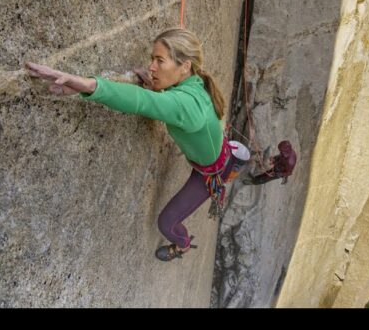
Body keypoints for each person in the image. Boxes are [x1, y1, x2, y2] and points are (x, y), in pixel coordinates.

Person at [25, 28, 234, 262]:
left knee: (167, 223)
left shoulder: (189, 106)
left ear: (185, 66)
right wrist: (160, 87)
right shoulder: (194, 83)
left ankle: (183, 245)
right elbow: (170, 100)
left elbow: (142, 101)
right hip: (218, 153)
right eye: (152, 59)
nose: (152, 67)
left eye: (159, 61)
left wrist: (86, 85)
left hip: (212, 172)